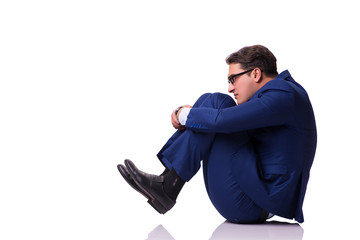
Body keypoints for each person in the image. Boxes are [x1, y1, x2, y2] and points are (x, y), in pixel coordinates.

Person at [117, 45, 317, 223]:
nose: (230, 87)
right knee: (211, 102)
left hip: (254, 203)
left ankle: (169, 186)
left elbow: (221, 120)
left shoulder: (283, 93)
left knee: (216, 104)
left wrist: (184, 114)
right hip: (252, 194)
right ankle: (168, 183)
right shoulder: (279, 96)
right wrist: (194, 115)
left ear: (256, 74)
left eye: (233, 79)